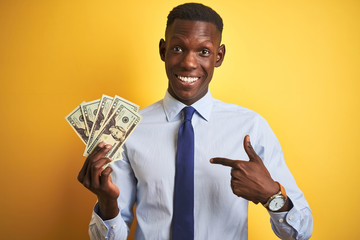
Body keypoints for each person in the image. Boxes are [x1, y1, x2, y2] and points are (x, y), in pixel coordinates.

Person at [77, 3, 313, 240]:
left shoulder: (251, 127)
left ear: (219, 56)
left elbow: (301, 232)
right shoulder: (128, 130)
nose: (189, 63)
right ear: (163, 50)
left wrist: (271, 195)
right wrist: (107, 203)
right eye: (178, 48)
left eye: (204, 52)